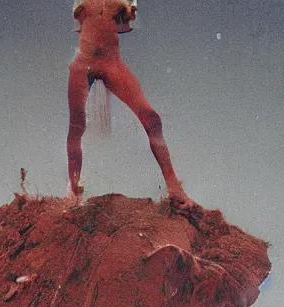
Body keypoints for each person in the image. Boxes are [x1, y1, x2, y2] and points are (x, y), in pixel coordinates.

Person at [67, 0, 194, 209]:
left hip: (111, 62)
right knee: (76, 126)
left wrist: (124, 9)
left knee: (151, 119)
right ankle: (72, 192)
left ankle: (173, 186)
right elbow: (81, 20)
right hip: (83, 63)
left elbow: (125, 23)